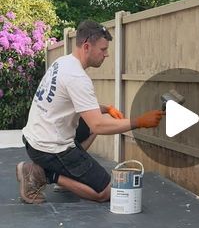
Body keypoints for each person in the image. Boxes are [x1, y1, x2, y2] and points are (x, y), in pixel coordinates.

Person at [16, 19, 164, 204]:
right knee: (106, 192)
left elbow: (73, 104)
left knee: (93, 125)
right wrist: (140, 121)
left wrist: (106, 108)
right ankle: (43, 174)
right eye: (103, 49)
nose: (106, 54)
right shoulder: (77, 77)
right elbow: (99, 125)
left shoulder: (62, 62)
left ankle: (62, 173)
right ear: (87, 46)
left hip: (36, 138)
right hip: (49, 148)